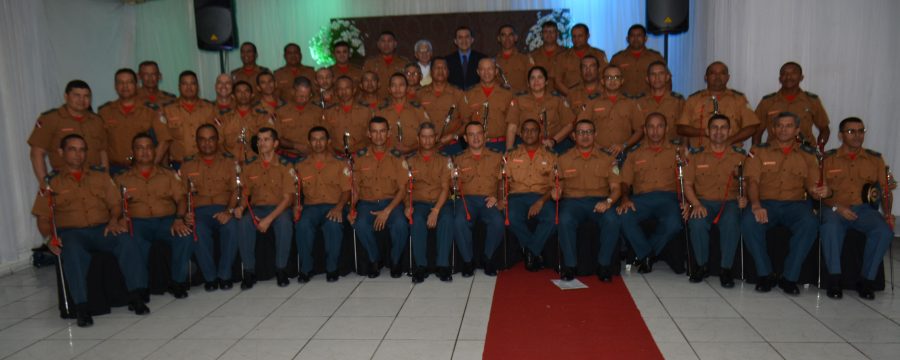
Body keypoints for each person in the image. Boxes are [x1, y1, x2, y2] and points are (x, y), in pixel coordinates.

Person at [32, 134, 149, 327]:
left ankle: (136, 296)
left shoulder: (100, 176)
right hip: (72, 232)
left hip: (102, 229)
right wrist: (49, 238)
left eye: (82, 150)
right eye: (72, 149)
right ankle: (82, 307)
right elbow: (43, 218)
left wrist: (114, 220)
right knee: (72, 251)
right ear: (61, 153)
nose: (78, 155)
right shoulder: (51, 183)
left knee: (127, 240)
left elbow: (116, 205)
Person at [742, 112, 828, 294]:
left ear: (797, 130)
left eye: (789, 126)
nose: (783, 129)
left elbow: (812, 183)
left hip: (795, 205)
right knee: (749, 222)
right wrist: (756, 205)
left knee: (810, 223)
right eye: (779, 125)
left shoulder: (807, 154)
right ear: (773, 129)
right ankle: (765, 274)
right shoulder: (759, 151)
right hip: (766, 202)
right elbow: (752, 181)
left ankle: (789, 277)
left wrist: (818, 190)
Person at [821, 117, 893, 300]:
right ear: (840, 135)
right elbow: (819, 192)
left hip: (864, 210)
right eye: (851, 131)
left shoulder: (875, 159)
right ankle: (835, 280)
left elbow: (885, 191)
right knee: (830, 227)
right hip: (835, 208)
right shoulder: (827, 159)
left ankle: (866, 281)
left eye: (861, 131)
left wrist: (888, 214)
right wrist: (838, 207)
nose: (857, 135)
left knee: (884, 231)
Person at [115, 133, 192, 299]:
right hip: (138, 223)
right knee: (131, 241)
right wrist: (119, 218)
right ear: (133, 152)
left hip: (167, 221)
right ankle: (140, 288)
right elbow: (115, 205)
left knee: (184, 236)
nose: (145, 152)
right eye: (140, 148)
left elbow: (181, 199)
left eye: (149, 148)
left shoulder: (168, 175)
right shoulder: (121, 178)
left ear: (155, 151)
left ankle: (177, 282)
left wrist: (179, 219)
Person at [682, 115, 747, 287]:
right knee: (696, 222)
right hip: (704, 201)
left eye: (723, 127)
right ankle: (702, 266)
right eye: (715, 128)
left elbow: (748, 183)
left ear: (730, 131)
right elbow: (687, 184)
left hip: (730, 202)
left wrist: (744, 197)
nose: (719, 132)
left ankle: (725, 270)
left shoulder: (740, 156)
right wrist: (695, 204)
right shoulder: (696, 155)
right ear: (708, 132)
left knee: (731, 221)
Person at [554, 120, 622, 281]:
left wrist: (608, 202)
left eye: (589, 132)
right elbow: (559, 185)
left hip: (599, 200)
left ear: (595, 135)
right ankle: (570, 266)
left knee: (612, 220)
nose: (585, 136)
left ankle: (604, 265)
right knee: (564, 219)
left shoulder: (608, 160)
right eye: (581, 132)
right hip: (573, 202)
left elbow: (616, 188)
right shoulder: (563, 159)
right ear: (574, 136)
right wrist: (556, 191)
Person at [618, 113, 684, 273]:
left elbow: (687, 180)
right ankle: (647, 254)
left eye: (660, 126)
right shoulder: (634, 153)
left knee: (675, 223)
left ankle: (646, 254)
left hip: (668, 198)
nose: (655, 131)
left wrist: (687, 201)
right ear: (645, 130)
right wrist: (625, 198)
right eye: (651, 127)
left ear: (667, 129)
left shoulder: (678, 151)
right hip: (642, 199)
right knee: (623, 215)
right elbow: (625, 181)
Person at [348, 117, 409, 278]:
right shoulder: (359, 157)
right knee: (359, 223)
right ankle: (374, 259)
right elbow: (356, 187)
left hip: (392, 202)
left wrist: (387, 211)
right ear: (368, 134)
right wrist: (351, 209)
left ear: (388, 133)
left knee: (400, 224)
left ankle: (395, 261)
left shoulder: (397, 157)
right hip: (367, 203)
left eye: (382, 131)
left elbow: (403, 189)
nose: (378, 136)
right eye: (374, 131)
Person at [180, 125, 239, 291]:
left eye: (211, 139)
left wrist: (229, 211)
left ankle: (225, 275)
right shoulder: (188, 164)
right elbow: (183, 195)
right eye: (203, 139)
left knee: (232, 227)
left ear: (217, 140)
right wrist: (186, 214)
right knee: (198, 229)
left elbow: (237, 190)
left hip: (223, 207)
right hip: (200, 210)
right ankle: (210, 278)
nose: (207, 143)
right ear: (197, 142)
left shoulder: (229, 161)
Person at [233, 127, 294, 288]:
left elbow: (288, 198)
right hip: (258, 208)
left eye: (266, 139)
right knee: (244, 222)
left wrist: (268, 219)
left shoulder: (285, 165)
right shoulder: (249, 165)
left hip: (279, 208)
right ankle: (249, 272)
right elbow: (246, 193)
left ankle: (281, 270)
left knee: (284, 223)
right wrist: (240, 207)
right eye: (259, 140)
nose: (261, 143)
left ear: (275, 143)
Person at [294, 126, 351, 283]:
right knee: (302, 225)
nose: (318, 143)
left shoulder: (340, 164)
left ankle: (332, 268)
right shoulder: (300, 165)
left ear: (329, 141)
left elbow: (347, 191)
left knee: (333, 225)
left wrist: (339, 208)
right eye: (314, 139)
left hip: (334, 204)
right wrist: (296, 206)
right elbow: (296, 191)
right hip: (311, 207)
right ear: (309, 142)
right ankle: (306, 268)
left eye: (322, 139)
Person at [29, 80, 108, 186]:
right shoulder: (50, 119)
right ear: (66, 96)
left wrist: (106, 179)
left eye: (86, 96)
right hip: (64, 182)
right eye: (77, 95)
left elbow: (102, 152)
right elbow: (37, 153)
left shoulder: (97, 121)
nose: (82, 100)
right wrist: (45, 184)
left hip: (94, 182)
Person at [453, 121, 504, 276]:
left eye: (479, 134)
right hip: (467, 199)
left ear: (485, 136)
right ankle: (468, 262)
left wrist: (498, 197)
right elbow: (453, 186)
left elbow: (504, 181)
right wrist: (453, 182)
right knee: (459, 221)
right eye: (471, 135)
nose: (475, 138)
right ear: (465, 138)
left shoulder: (497, 157)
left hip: (489, 199)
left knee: (497, 221)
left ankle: (488, 259)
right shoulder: (458, 159)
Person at [505, 119, 558, 272]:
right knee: (511, 216)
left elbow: (556, 184)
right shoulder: (511, 154)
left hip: (542, 196)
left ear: (540, 134)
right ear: (520, 134)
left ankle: (530, 251)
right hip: (517, 196)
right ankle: (535, 250)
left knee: (552, 220)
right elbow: (503, 180)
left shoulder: (551, 155)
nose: (529, 133)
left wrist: (541, 202)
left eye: (533, 130)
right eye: (526, 130)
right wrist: (501, 198)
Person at [405, 122, 454, 282]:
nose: (427, 140)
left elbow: (445, 188)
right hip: (419, 203)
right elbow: (406, 188)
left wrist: (436, 210)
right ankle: (420, 266)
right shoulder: (409, 161)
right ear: (418, 138)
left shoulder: (444, 159)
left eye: (430, 137)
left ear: (435, 138)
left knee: (446, 219)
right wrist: (407, 206)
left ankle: (443, 266)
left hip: (440, 202)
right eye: (423, 137)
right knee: (417, 219)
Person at [99, 68, 170, 175]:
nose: (125, 86)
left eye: (129, 82)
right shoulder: (105, 112)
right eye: (121, 83)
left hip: (143, 170)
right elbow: (101, 145)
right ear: (115, 86)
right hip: (115, 170)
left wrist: (152, 165)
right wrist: (105, 172)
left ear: (136, 85)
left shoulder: (151, 110)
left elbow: (164, 140)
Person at [677, 62, 759, 149]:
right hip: (700, 156)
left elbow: (752, 127)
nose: (718, 77)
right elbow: (681, 128)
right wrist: (705, 132)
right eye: (713, 73)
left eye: (722, 73)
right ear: (705, 77)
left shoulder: (739, 99)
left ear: (728, 78)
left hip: (731, 153)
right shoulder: (693, 99)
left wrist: (730, 141)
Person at [753, 62, 830, 146]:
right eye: (784, 74)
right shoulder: (767, 102)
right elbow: (757, 131)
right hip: (774, 152)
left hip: (804, 153)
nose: (788, 77)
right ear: (780, 78)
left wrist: (819, 150)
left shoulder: (812, 101)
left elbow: (824, 129)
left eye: (793, 73)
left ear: (801, 77)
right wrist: (756, 153)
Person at [576, 65, 643, 158]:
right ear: (602, 81)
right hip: (596, 154)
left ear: (622, 81)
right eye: (609, 77)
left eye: (616, 77)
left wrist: (624, 145)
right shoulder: (591, 102)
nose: (612, 81)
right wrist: (596, 147)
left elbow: (639, 130)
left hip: (624, 154)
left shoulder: (631, 102)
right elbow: (579, 128)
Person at [505, 66, 575, 153]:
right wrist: (509, 151)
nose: (536, 81)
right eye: (532, 78)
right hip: (525, 144)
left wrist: (553, 141)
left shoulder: (557, 99)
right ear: (528, 83)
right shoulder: (519, 99)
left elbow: (569, 124)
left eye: (540, 77)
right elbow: (512, 127)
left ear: (546, 81)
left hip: (555, 145)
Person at [160, 71, 216, 168]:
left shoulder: (210, 108)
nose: (189, 87)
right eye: (185, 84)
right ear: (179, 86)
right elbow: (165, 140)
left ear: (198, 86)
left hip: (206, 163)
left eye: (192, 84)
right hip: (179, 164)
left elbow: (217, 138)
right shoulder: (168, 110)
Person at [461, 58, 515, 152]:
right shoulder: (469, 94)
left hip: (500, 145)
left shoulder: (507, 94)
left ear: (496, 71)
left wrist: (508, 149)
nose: (486, 72)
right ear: (478, 72)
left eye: (490, 69)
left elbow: (512, 124)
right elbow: (465, 122)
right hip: (476, 146)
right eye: (482, 69)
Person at [417, 58, 465, 155]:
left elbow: (467, 121)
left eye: (443, 68)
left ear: (448, 72)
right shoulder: (420, 94)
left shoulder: (458, 93)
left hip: (452, 146)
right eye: (437, 68)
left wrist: (453, 136)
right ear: (431, 72)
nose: (440, 71)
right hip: (425, 147)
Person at [217, 80, 271, 163]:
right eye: (239, 91)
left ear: (252, 95)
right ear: (233, 96)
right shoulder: (224, 118)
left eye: (246, 91)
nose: (243, 94)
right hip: (229, 163)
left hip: (257, 163)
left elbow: (270, 143)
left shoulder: (262, 117)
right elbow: (218, 143)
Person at [375, 73, 428, 154]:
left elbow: (429, 136)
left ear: (407, 88)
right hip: (388, 157)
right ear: (389, 89)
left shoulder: (418, 109)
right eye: (394, 85)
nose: (397, 89)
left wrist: (410, 148)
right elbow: (374, 137)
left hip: (415, 156)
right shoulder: (381, 111)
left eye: (401, 85)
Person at [274, 76, 324, 159]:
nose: (305, 99)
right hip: (287, 157)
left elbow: (324, 137)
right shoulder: (280, 112)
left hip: (311, 157)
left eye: (308, 96)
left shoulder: (318, 112)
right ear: (293, 92)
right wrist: (295, 146)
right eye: (301, 96)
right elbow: (277, 139)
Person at [609, 24, 665, 97]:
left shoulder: (655, 57)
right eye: (632, 36)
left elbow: (666, 81)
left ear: (645, 38)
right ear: (627, 39)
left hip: (649, 102)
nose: (635, 39)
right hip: (624, 102)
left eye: (639, 35)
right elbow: (608, 80)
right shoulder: (617, 58)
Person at [635, 61, 684, 143]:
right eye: (653, 74)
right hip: (645, 150)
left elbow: (683, 128)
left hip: (671, 149)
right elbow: (635, 130)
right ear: (647, 79)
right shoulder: (638, 101)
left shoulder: (678, 100)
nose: (657, 78)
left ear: (667, 77)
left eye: (661, 74)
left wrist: (684, 149)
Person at [554, 23, 608, 95]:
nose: (576, 39)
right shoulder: (562, 57)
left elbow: (605, 77)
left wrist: (594, 95)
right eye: (574, 36)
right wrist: (571, 95)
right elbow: (558, 82)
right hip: (570, 98)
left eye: (580, 36)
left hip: (596, 98)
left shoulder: (599, 54)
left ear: (587, 36)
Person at [325, 76, 371, 154]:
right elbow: (324, 136)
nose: (344, 92)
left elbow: (371, 136)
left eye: (347, 88)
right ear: (336, 92)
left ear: (354, 90)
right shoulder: (328, 112)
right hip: (336, 155)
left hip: (360, 155)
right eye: (340, 89)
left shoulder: (366, 111)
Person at [363, 31, 409, 98]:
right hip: (377, 102)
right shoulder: (370, 63)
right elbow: (363, 84)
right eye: (383, 41)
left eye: (389, 41)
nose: (386, 44)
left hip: (398, 102)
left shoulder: (404, 63)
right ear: (378, 44)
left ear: (395, 44)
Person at [529, 21, 567, 93]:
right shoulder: (533, 55)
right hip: (539, 96)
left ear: (557, 34)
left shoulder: (566, 54)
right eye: (546, 32)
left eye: (552, 31)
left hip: (562, 97)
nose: (549, 34)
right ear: (541, 34)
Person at [445, 26, 487, 90]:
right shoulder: (447, 60)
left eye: (467, 37)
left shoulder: (482, 59)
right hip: (455, 97)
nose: (464, 40)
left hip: (476, 96)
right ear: (455, 41)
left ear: (472, 40)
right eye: (460, 37)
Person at [495, 24, 533, 94]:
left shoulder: (525, 59)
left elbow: (532, 82)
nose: (507, 38)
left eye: (510, 35)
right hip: (501, 100)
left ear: (515, 38)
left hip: (521, 100)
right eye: (503, 35)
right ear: (499, 38)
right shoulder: (494, 62)